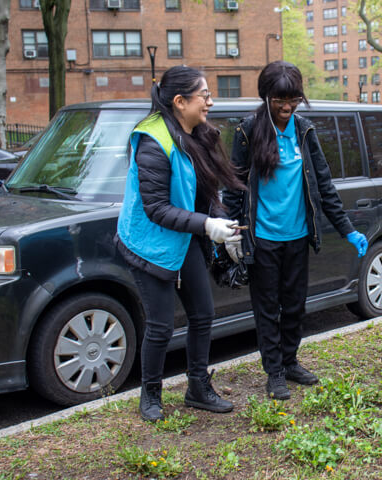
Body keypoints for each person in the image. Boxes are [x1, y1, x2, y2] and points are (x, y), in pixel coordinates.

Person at [223, 61, 368, 400]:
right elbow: (234, 187)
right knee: (266, 308)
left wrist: (347, 230)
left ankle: (290, 361)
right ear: (266, 96)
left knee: (295, 306)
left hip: (298, 236)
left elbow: (324, 185)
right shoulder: (247, 130)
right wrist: (233, 232)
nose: (286, 107)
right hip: (263, 239)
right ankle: (273, 372)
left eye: (293, 99)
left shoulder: (304, 130)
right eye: (279, 100)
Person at [116, 66, 245, 422]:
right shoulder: (153, 141)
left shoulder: (197, 134)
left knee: (203, 313)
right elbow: (156, 208)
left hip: (183, 236)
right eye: (203, 95)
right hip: (148, 243)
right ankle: (151, 396)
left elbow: (203, 193)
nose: (210, 102)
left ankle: (197, 389)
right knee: (160, 326)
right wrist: (207, 226)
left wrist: (223, 227)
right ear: (179, 101)